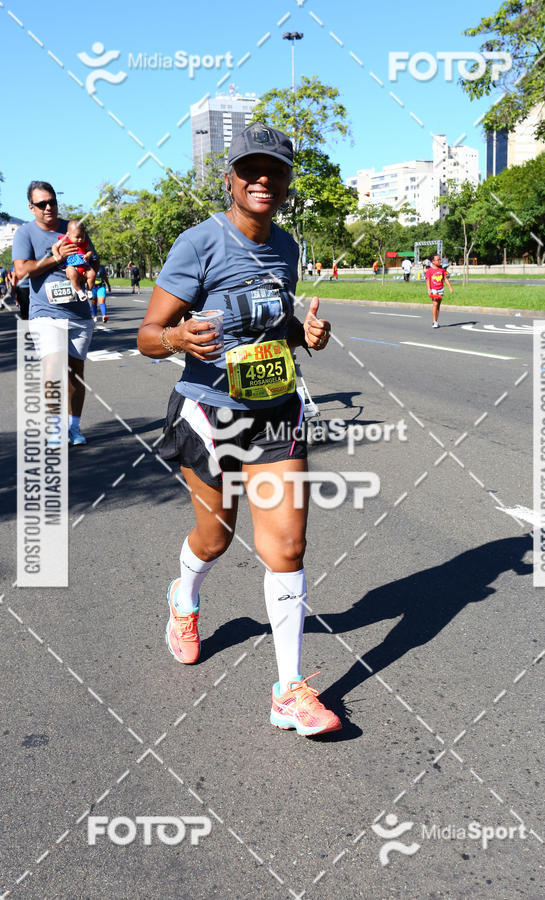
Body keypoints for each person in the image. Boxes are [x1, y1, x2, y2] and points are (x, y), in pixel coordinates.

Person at [137, 122, 341, 737]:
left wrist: (302, 336)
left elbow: (271, 326)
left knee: (287, 547)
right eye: (250, 169)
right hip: (210, 412)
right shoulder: (198, 243)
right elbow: (146, 336)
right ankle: (185, 596)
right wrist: (174, 337)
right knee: (216, 538)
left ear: (285, 182)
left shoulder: (288, 246)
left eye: (274, 170)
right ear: (229, 178)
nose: (262, 180)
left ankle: (288, 689)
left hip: (277, 410)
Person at [12, 181, 96, 444]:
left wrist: (82, 263)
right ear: (31, 207)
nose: (49, 207)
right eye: (42, 204)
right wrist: (56, 258)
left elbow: (92, 259)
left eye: (52, 202)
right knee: (53, 367)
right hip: (45, 313)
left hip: (79, 312)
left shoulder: (73, 227)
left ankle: (74, 427)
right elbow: (23, 269)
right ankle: (55, 428)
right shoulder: (25, 233)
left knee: (75, 372)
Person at [58, 219, 97, 301]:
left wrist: (87, 255)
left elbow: (90, 251)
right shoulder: (66, 243)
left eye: (82, 237)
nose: (80, 239)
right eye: (77, 237)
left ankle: (89, 290)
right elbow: (59, 249)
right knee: (71, 273)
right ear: (68, 235)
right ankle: (79, 291)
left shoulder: (84, 244)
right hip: (71, 265)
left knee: (92, 274)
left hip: (84, 265)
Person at [425, 252, 453, 327]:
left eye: (440, 260)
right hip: (433, 289)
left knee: (438, 305)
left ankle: (436, 321)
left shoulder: (442, 269)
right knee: (435, 304)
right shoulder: (430, 271)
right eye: (438, 260)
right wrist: (429, 289)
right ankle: (434, 321)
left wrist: (450, 287)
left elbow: (445, 279)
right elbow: (427, 281)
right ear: (433, 261)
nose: (440, 261)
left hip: (440, 289)